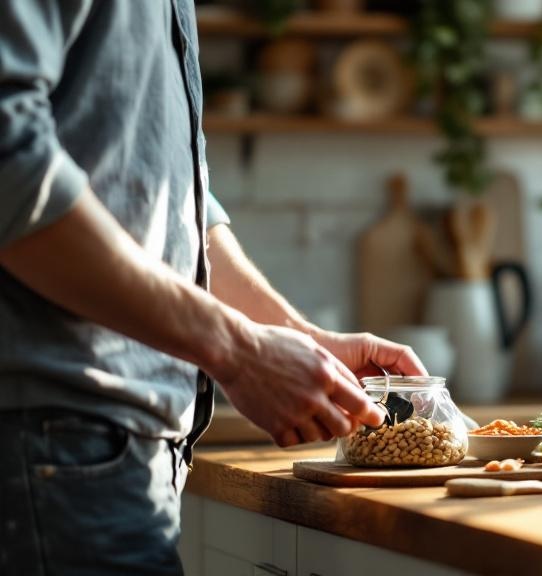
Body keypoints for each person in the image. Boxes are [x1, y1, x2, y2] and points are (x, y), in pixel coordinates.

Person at [0, 3, 425, 574]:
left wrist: (294, 338)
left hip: (105, 453)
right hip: (45, 444)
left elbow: (170, 201)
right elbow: (12, 165)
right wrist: (239, 351)